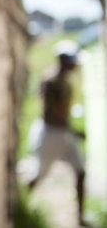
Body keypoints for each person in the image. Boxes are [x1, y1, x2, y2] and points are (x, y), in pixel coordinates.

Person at [28, 40, 86, 226]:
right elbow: (52, 114)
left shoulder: (64, 81)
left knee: (80, 172)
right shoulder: (51, 81)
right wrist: (73, 131)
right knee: (40, 175)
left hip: (63, 134)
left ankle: (80, 217)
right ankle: (21, 206)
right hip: (52, 134)